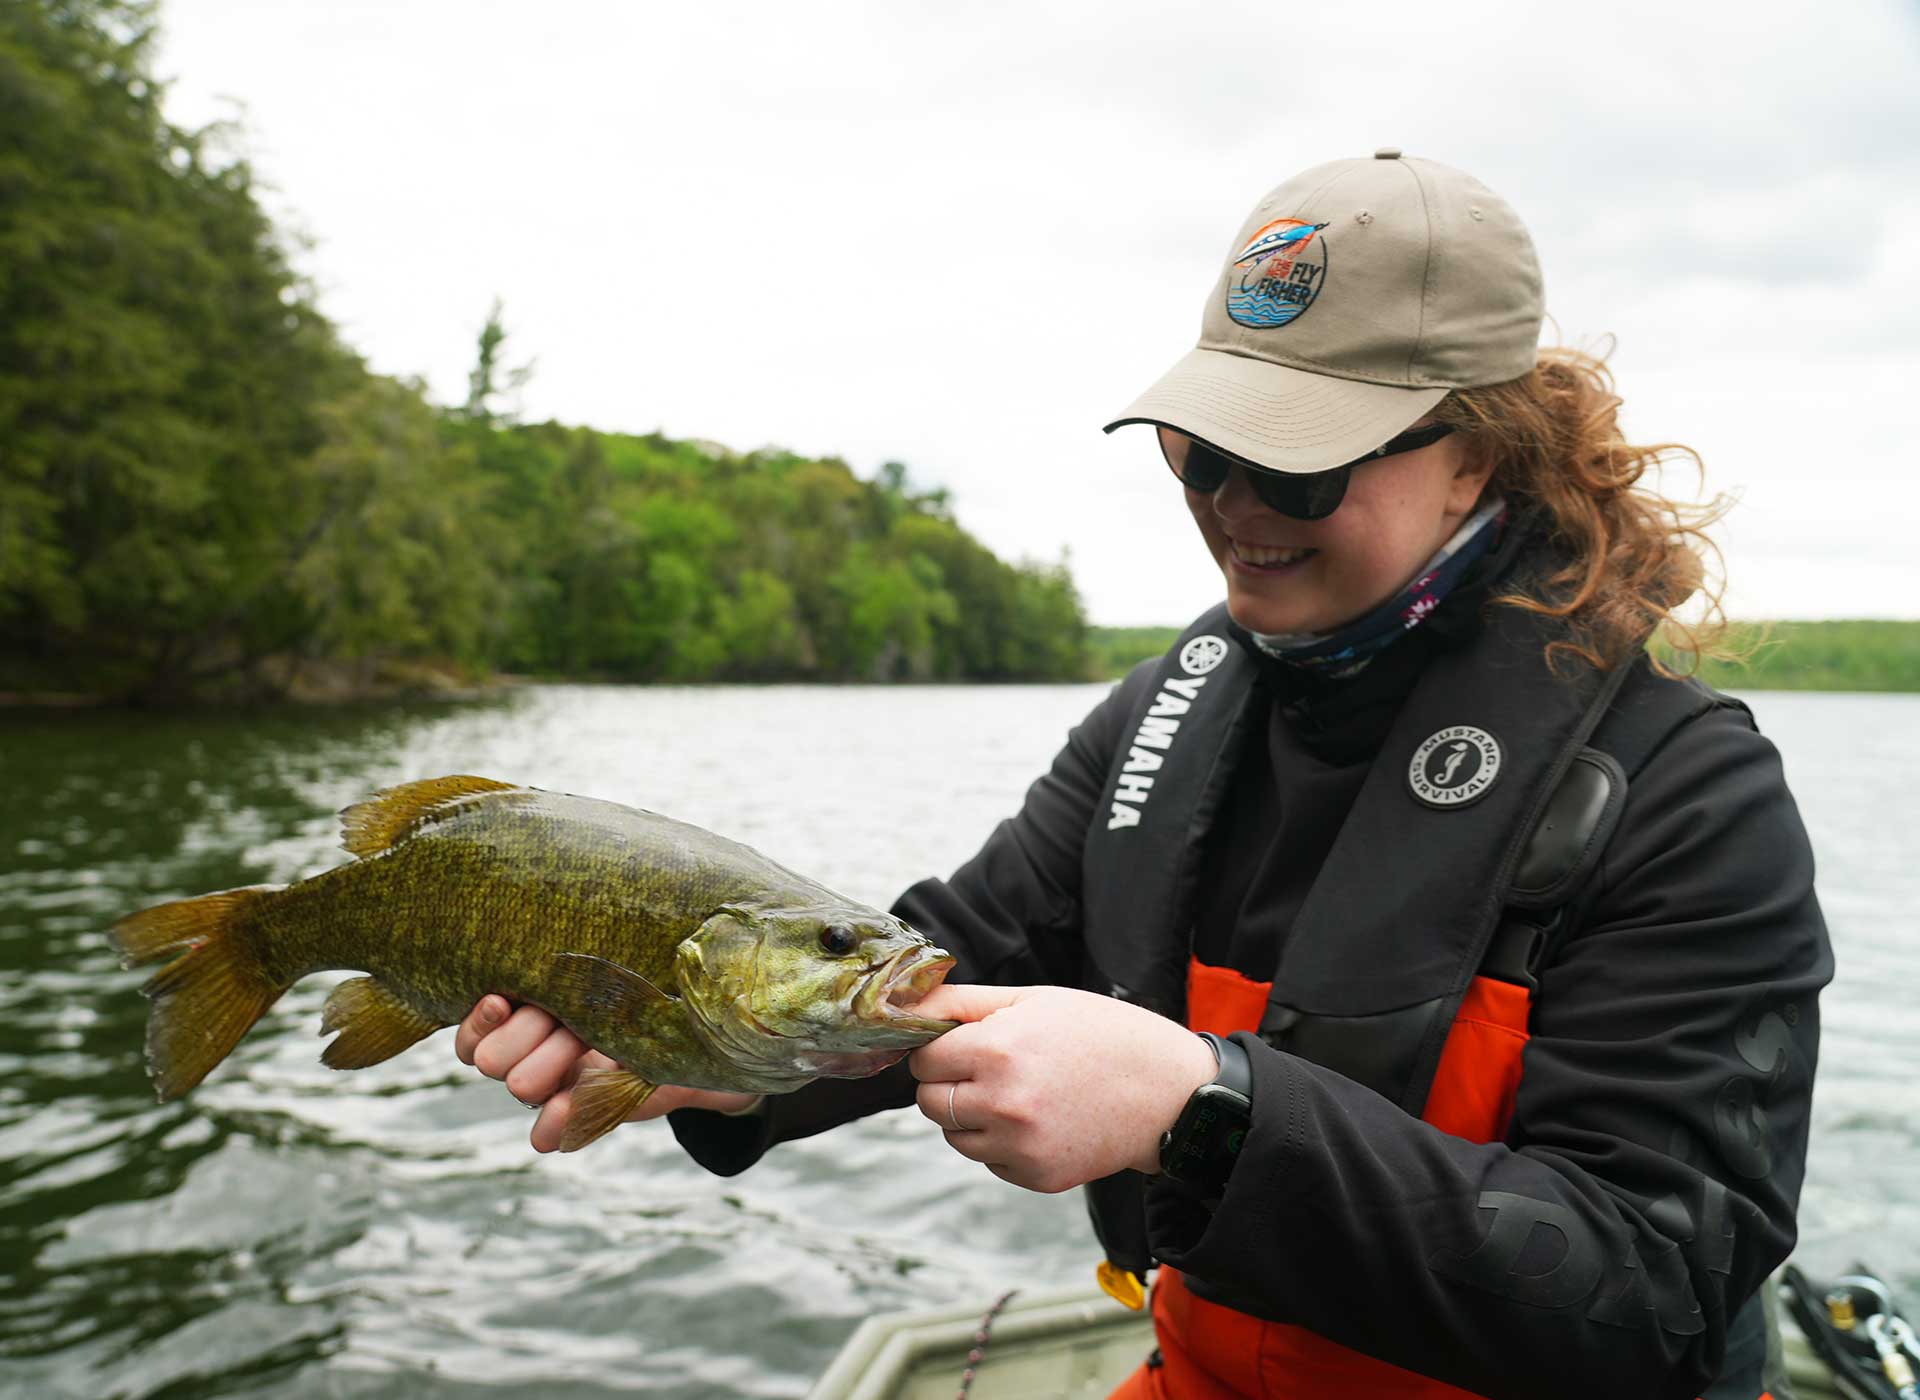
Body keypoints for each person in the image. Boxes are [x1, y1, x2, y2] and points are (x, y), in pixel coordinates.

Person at [452, 150, 1831, 1400]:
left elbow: (1652, 1292)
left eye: (1293, 469)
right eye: (1201, 451)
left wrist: (1204, 1113)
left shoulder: (1689, 800)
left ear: (1471, 456)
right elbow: (958, 953)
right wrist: (733, 1068)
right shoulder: (1174, 717)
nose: (1231, 505)